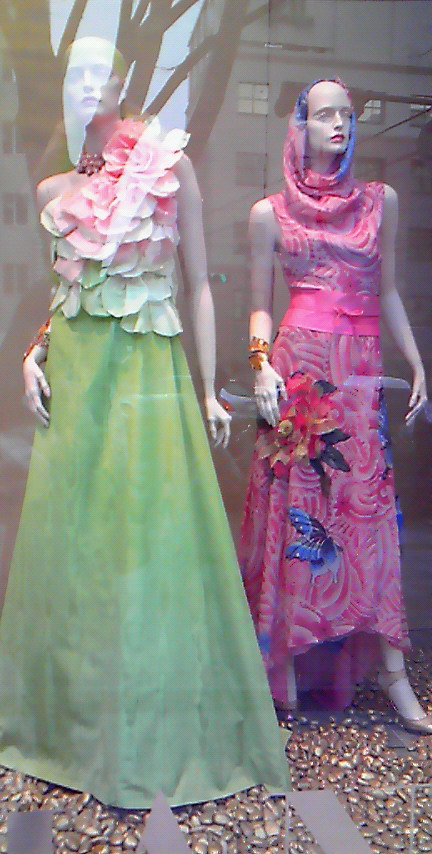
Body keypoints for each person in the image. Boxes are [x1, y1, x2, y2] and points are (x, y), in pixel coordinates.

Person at [0, 38, 289, 807]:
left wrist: (208, 388)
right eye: (72, 73)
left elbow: (197, 284)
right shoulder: (53, 190)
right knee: (74, 545)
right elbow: (68, 294)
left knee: (148, 540)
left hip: (145, 373)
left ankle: (149, 724)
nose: (85, 85)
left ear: (119, 82)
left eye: (97, 72)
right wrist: (32, 355)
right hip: (78, 381)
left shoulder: (169, 169)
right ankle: (67, 722)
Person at [239, 78, 432, 733]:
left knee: (368, 517)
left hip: (361, 373)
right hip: (298, 373)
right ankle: (282, 665)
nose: (340, 126)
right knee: (297, 516)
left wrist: (417, 362)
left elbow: (389, 290)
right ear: (300, 126)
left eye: (347, 115)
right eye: (324, 116)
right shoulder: (269, 213)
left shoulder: (381, 202)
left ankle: (394, 673)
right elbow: (260, 304)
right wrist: (259, 362)